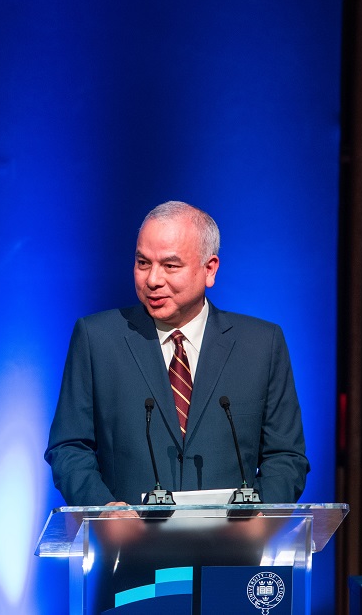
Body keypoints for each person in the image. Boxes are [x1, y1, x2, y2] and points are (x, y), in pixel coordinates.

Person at [45, 200, 309, 507]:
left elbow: (286, 456)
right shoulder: (97, 339)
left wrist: (257, 517)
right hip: (129, 548)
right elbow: (69, 447)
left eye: (170, 266)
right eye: (143, 263)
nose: (153, 280)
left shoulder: (262, 344)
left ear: (209, 270)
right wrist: (105, 510)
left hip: (227, 551)